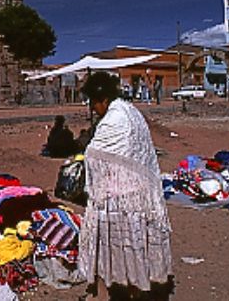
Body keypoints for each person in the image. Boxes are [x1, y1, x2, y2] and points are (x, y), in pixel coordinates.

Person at [78, 72, 172, 300]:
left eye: (93, 103)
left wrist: (86, 150)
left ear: (102, 99)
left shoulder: (115, 118)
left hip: (121, 197)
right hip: (141, 192)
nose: (93, 109)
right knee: (136, 246)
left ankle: (121, 289)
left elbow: (95, 154)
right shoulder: (131, 111)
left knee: (119, 246)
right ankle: (137, 287)